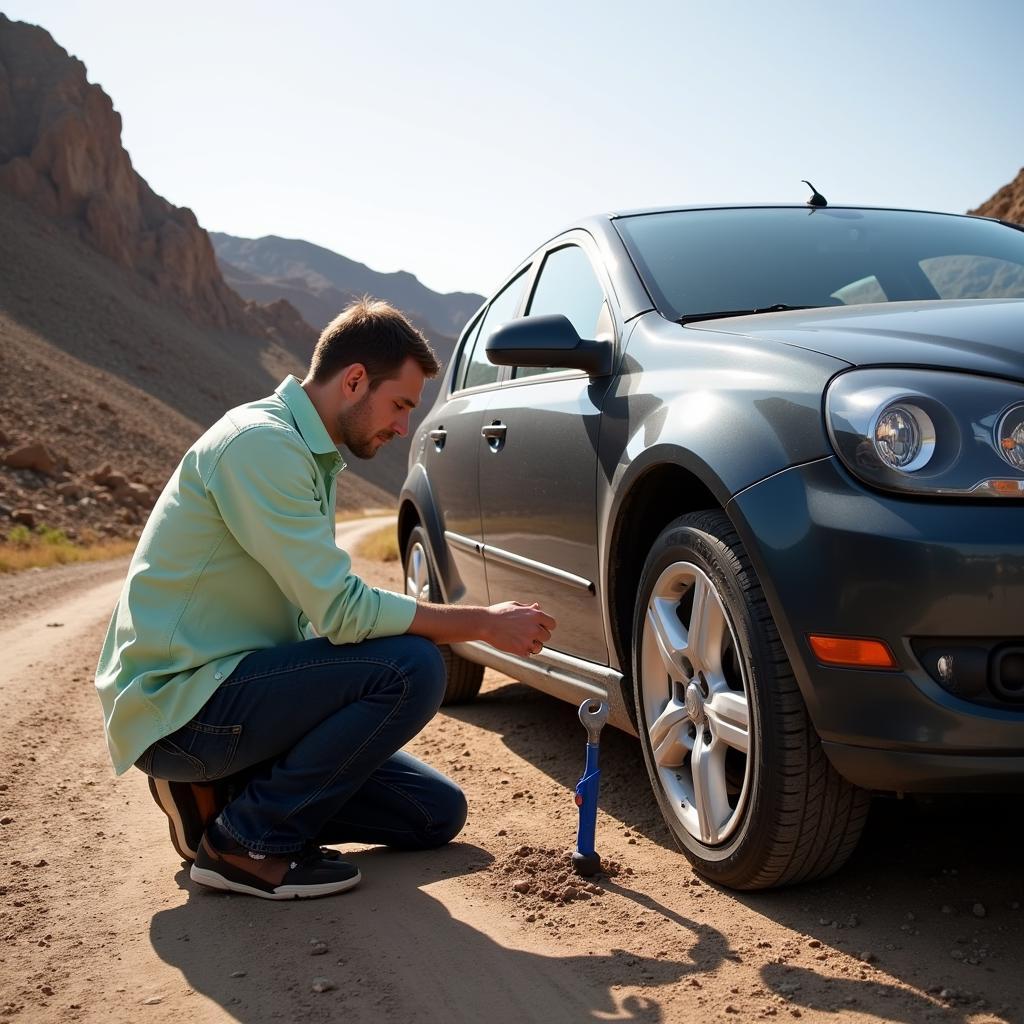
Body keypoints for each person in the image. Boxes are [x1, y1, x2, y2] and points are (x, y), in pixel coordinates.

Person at [94, 298, 556, 901]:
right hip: (183, 708)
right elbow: (343, 611)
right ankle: (245, 844)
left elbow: (319, 619)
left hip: (231, 694)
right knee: (412, 666)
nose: (403, 428)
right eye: (400, 405)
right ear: (355, 380)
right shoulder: (260, 446)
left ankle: (223, 797)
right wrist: (482, 623)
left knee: (432, 814)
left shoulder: (306, 455)